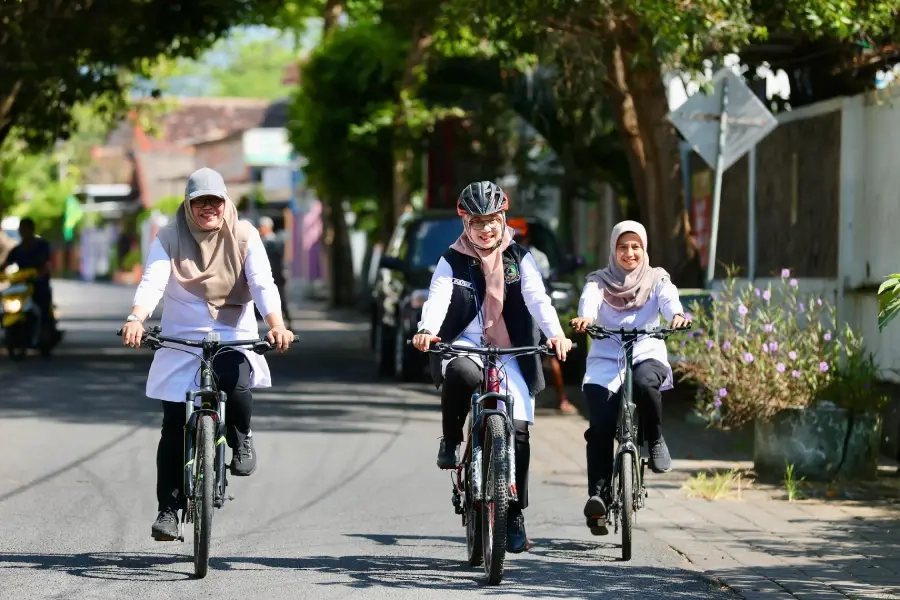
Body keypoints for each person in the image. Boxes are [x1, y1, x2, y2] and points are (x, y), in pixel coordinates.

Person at [120, 167, 295, 541]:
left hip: (233, 330)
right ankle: (168, 511)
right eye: (200, 201)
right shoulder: (168, 237)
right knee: (171, 426)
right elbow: (152, 281)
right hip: (181, 336)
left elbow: (263, 283)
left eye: (215, 200)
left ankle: (241, 435)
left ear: (225, 201)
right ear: (188, 204)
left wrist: (276, 324)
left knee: (235, 380)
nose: (208, 208)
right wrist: (136, 318)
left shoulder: (245, 234)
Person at [411, 180, 572, 553]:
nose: (486, 229)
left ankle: (514, 513)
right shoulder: (452, 259)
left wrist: (557, 334)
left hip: (510, 349)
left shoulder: (520, 258)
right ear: (465, 223)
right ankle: (452, 438)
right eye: (477, 222)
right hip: (465, 343)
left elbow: (538, 299)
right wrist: (427, 331)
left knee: (518, 430)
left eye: (492, 220)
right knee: (462, 374)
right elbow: (438, 298)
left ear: (503, 219)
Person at [570, 220, 690, 533]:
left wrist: (676, 314)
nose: (629, 252)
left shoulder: (656, 277)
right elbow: (590, 300)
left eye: (635, 246)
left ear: (644, 248)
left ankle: (655, 438)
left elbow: (669, 299)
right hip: (606, 360)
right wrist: (586, 318)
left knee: (644, 383)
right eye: (622, 246)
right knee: (600, 426)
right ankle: (598, 496)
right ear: (613, 249)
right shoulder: (599, 281)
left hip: (646, 352)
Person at [513, 227, 576, 415]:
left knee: (551, 356)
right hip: (513, 316)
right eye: (515, 237)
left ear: (527, 238)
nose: (518, 240)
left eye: (521, 237)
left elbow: (538, 293)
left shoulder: (535, 258)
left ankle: (562, 398)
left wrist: (555, 333)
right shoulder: (499, 254)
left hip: (535, 315)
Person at [1, 217, 57, 331]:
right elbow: (6, 264)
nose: (23, 232)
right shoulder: (18, 249)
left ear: (31, 230)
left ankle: (45, 330)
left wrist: (40, 273)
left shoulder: (41, 246)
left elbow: (46, 264)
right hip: (21, 285)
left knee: (43, 304)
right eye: (21, 230)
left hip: (38, 283)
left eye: (25, 229)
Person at [256, 216, 292, 330]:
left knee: (280, 300)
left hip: (276, 276)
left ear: (268, 227)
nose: (259, 229)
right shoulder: (259, 241)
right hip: (264, 277)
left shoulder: (275, 241)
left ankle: (285, 324)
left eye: (262, 227)